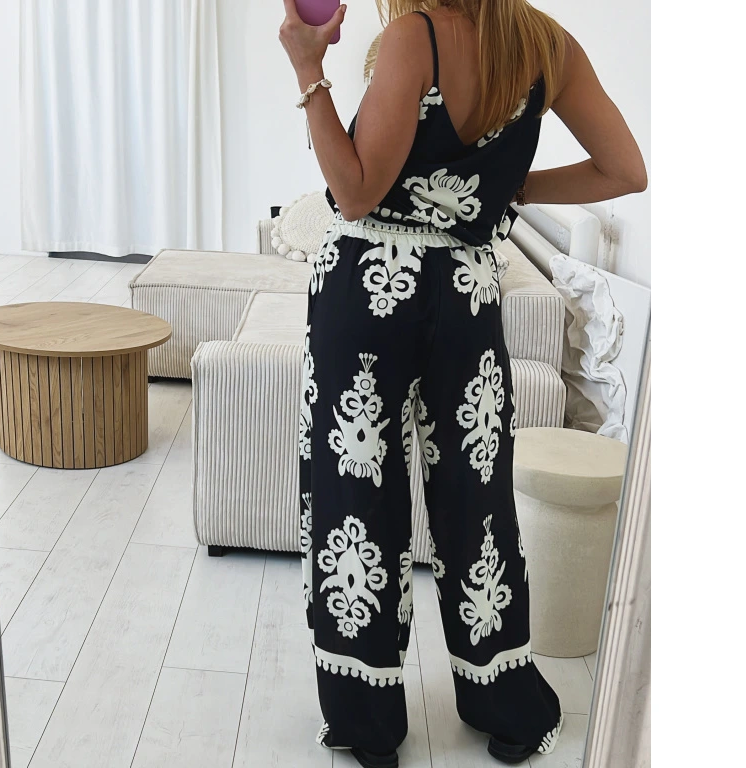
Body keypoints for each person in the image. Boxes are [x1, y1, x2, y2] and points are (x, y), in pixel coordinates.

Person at [278, 1, 646, 766]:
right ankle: (506, 710)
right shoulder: (548, 45)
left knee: (357, 503)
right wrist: (511, 187)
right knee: (475, 506)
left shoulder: (415, 35)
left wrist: (309, 70)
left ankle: (369, 725)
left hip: (367, 297)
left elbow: (354, 193)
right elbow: (625, 170)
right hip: (468, 294)